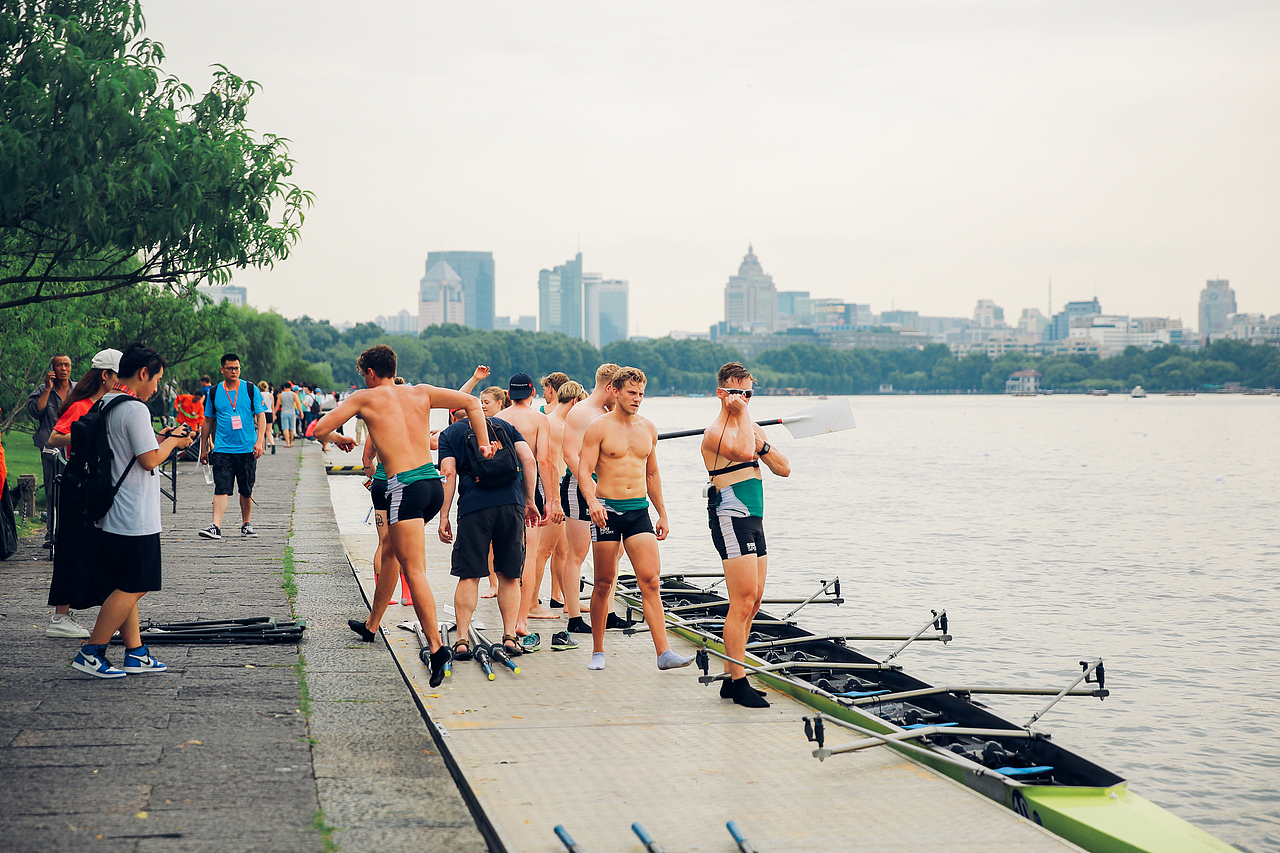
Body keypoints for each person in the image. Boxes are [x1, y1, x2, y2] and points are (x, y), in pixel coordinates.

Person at [314, 344, 493, 688]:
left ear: (369, 373)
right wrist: (484, 444)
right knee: (394, 553)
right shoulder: (421, 392)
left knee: (414, 570)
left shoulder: (364, 398)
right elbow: (470, 402)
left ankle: (438, 647)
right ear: (394, 368)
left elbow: (320, 429)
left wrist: (338, 437)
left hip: (404, 489)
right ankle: (371, 625)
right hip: (431, 485)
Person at [70, 342, 196, 678]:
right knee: (135, 584)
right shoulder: (136, 408)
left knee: (125, 584)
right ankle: (92, 651)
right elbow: (149, 459)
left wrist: (161, 436)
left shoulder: (109, 400)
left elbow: (128, 446)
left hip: (111, 511)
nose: (156, 386)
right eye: (156, 379)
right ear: (143, 374)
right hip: (133, 513)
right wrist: (175, 442)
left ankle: (136, 652)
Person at [578, 367, 693, 672]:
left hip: (638, 511)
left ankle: (664, 652)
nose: (637, 399)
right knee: (603, 582)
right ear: (615, 392)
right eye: (631, 393)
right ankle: (598, 650)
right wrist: (592, 503)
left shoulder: (648, 428)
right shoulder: (598, 428)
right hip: (607, 512)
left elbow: (652, 473)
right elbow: (583, 470)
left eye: (641, 393)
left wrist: (663, 513)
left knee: (651, 581)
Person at [701, 362, 791, 707]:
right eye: (739, 393)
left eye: (750, 393)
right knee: (741, 601)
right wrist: (740, 415)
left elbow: (784, 468)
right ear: (723, 393)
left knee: (754, 600)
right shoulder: (716, 432)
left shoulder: (752, 428)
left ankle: (730, 676)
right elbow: (739, 451)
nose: (745, 400)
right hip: (730, 516)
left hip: (755, 519)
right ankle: (739, 683)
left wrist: (764, 448)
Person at [436, 386, 541, 663]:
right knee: (509, 574)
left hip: (474, 509)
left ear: (455, 412)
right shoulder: (505, 426)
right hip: (511, 504)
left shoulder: (450, 434)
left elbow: (448, 473)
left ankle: (460, 639)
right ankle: (509, 636)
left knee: (470, 574)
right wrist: (529, 500)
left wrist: (444, 514)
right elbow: (529, 460)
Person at [43, 349, 122, 638]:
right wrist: (86, 435)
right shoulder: (82, 405)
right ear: (106, 376)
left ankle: (90, 614)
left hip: (88, 484)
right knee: (72, 548)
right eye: (118, 376)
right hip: (77, 486)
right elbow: (55, 437)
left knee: (87, 550)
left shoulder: (99, 404)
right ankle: (60, 616)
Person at [494, 373, 562, 644]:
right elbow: (543, 460)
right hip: (526, 486)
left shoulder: (497, 419)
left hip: (498, 487)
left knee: (502, 558)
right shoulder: (539, 419)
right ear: (532, 392)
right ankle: (522, 620)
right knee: (529, 555)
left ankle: (507, 622)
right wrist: (552, 499)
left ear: (509, 394)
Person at [560, 363, 623, 635]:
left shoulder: (608, 412)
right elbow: (569, 454)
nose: (620, 396)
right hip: (578, 487)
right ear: (610, 387)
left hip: (607, 489)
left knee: (615, 550)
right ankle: (574, 617)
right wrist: (590, 486)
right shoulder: (581, 412)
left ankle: (608, 612)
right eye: (618, 391)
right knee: (577, 553)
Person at [198, 353, 268, 540]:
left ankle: (246, 524)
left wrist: (260, 441)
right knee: (221, 487)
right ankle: (215, 526)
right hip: (222, 449)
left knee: (246, 489)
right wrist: (204, 448)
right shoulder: (214, 392)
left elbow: (261, 416)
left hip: (247, 449)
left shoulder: (250, 389)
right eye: (230, 368)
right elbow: (208, 421)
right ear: (222, 369)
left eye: (237, 368)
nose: (234, 371)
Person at [540, 380, 585, 651]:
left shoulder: (559, 422)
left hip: (557, 490)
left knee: (564, 551)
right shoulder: (555, 424)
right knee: (543, 551)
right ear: (575, 401)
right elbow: (550, 463)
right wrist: (553, 499)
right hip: (554, 490)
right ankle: (533, 602)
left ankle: (562, 597)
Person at [26, 352, 73, 548]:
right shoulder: (43, 390)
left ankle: (69, 532)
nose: (63, 368)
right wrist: (47, 388)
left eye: (67, 365)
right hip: (50, 446)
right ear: (52, 369)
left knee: (72, 489)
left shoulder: (78, 390)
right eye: (59, 365)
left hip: (73, 445)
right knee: (53, 490)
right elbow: (37, 411)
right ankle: (51, 533)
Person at [276, 381, 302, 447]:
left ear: (284, 387)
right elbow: (298, 404)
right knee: (291, 428)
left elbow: (277, 405)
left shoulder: (281, 395)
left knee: (285, 429)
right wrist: (301, 412)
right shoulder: (294, 394)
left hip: (284, 412)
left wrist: (274, 413)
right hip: (292, 413)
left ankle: (287, 443)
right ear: (290, 387)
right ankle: (291, 442)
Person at [258, 381, 276, 453]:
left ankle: (263, 448)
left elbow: (259, 406)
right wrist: (274, 415)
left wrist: (256, 417)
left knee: (262, 432)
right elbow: (273, 406)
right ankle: (272, 443)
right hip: (270, 413)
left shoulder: (260, 395)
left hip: (263, 413)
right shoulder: (271, 395)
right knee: (268, 431)